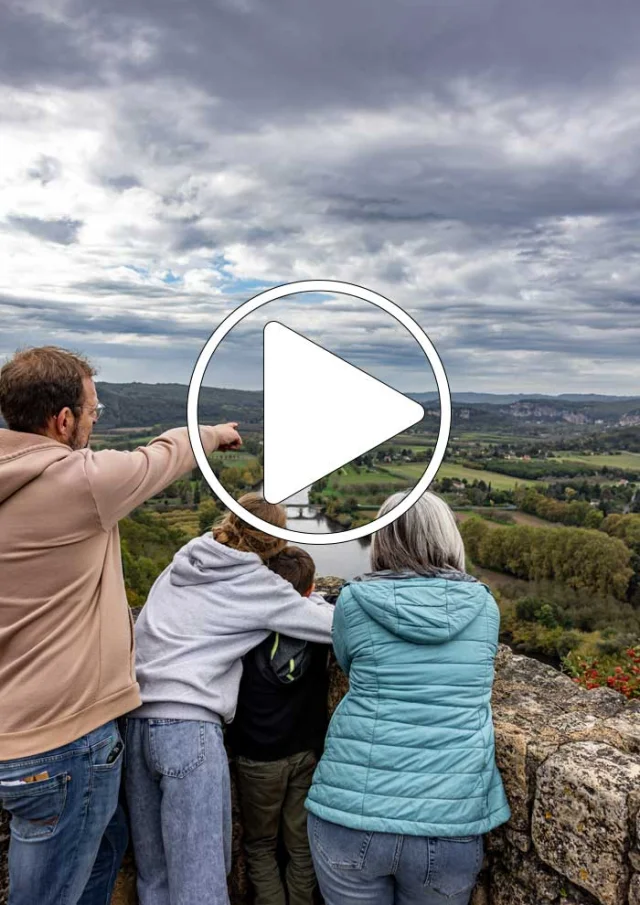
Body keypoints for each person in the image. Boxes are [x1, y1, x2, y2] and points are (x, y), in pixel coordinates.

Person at [0, 345, 241, 905]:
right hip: (63, 741)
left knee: (105, 854)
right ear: (63, 421)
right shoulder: (79, 482)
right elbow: (160, 457)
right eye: (93, 411)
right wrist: (211, 434)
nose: (94, 421)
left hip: (18, 730)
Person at [124, 494, 334, 905]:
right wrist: (317, 600)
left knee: (155, 876)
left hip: (136, 721)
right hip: (188, 728)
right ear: (275, 543)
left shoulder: (184, 562)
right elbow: (333, 627)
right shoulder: (258, 585)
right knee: (200, 881)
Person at [306, 490, 511, 905]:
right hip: (450, 821)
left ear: (382, 540)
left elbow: (348, 665)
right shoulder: (484, 608)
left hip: (350, 813)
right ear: (449, 538)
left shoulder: (353, 602)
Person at [228, 546, 331, 905]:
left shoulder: (247, 629)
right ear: (309, 590)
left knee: (260, 846)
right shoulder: (320, 632)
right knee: (301, 846)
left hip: (257, 757)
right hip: (304, 751)